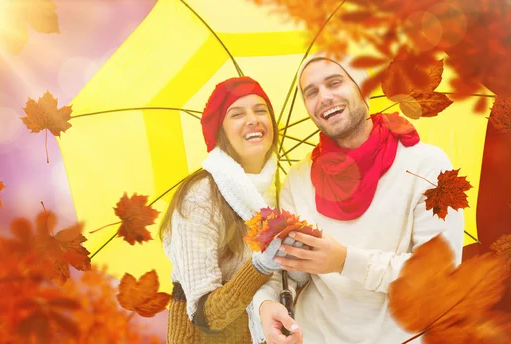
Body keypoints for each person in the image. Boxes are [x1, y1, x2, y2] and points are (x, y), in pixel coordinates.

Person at [250, 53, 465, 344]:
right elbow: (286, 271)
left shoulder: (429, 166)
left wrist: (345, 262)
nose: (324, 97)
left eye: (334, 82)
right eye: (311, 92)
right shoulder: (298, 181)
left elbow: (437, 278)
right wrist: (265, 304)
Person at [159, 76, 302, 343]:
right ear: (220, 131)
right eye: (237, 114)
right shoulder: (201, 195)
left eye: (261, 110)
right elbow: (206, 316)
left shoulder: (283, 191)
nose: (253, 119)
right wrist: (259, 266)